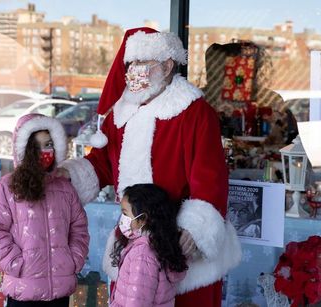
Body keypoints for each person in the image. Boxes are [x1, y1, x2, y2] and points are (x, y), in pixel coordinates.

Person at [58, 27, 241, 307]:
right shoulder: (122, 114)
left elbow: (211, 180)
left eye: (141, 63)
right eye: (130, 64)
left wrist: (194, 229)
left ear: (167, 66)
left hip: (178, 246)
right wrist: (67, 176)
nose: (133, 72)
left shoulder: (194, 113)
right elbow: (103, 164)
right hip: (133, 245)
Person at [0, 114, 89, 307]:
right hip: (23, 291)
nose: (44, 151)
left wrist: (73, 260)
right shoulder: (6, 187)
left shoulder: (65, 188)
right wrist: (16, 264)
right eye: (37, 146)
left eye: (48, 144)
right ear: (25, 149)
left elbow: (79, 228)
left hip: (60, 290)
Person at [110, 184, 187, 307]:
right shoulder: (160, 245)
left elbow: (137, 302)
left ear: (142, 219)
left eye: (125, 213)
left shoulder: (142, 256)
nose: (121, 219)